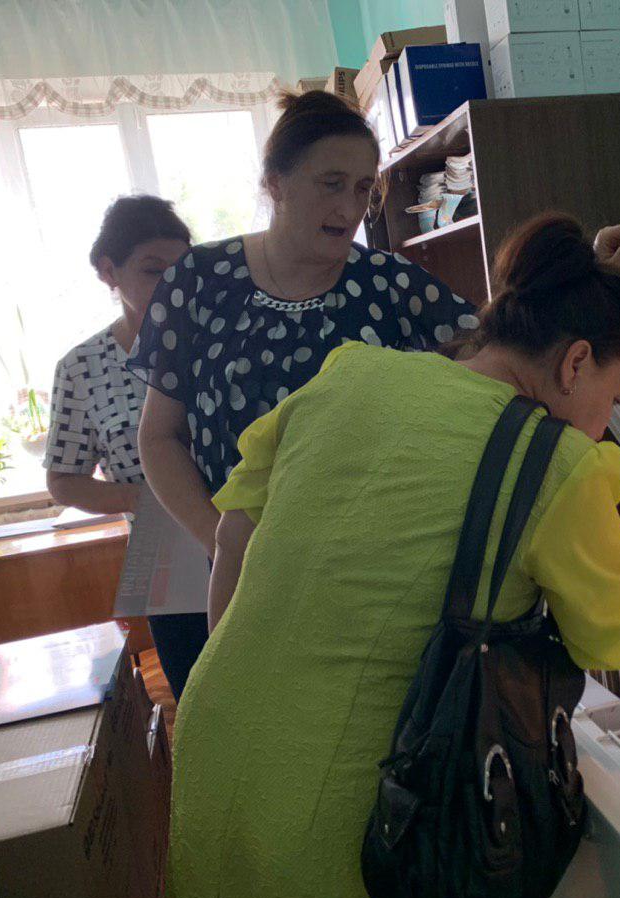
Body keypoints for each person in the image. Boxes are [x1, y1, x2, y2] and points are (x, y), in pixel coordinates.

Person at [164, 214, 620, 898]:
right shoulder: (555, 465)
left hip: (214, 738)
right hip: (346, 807)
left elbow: (234, 536)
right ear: (575, 363)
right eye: (617, 398)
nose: (607, 424)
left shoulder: (353, 374)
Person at [128, 90, 481, 697]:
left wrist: (583, 273)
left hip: (369, 582)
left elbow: (501, 348)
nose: (350, 207)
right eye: (331, 184)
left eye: (364, 188)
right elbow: (159, 439)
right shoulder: (198, 283)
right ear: (276, 183)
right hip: (240, 573)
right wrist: (228, 545)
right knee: (252, 718)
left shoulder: (390, 285)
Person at [44, 195, 208, 692]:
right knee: (194, 692)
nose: (172, 285)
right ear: (108, 271)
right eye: (153, 270)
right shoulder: (81, 367)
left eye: (182, 270)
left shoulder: (221, 339)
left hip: (249, 527)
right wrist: (146, 498)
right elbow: (64, 481)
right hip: (163, 545)